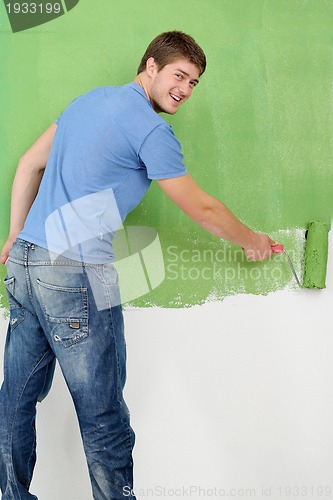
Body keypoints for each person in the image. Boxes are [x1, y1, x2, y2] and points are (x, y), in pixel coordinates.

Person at [0, 31, 278, 499]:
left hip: (26, 263)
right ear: (150, 66)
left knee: (16, 398)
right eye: (178, 75)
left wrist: (14, 235)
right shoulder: (151, 131)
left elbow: (29, 164)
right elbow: (203, 209)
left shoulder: (87, 102)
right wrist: (252, 241)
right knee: (104, 415)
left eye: (194, 82)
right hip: (78, 273)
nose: (185, 89)